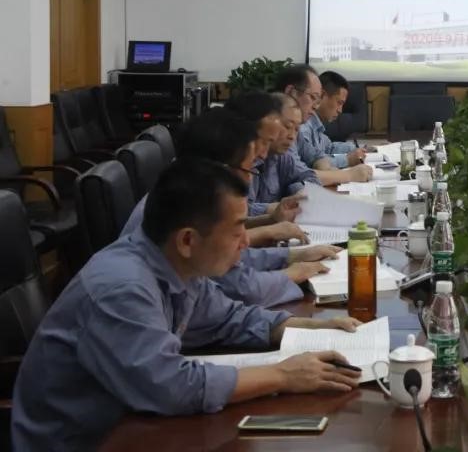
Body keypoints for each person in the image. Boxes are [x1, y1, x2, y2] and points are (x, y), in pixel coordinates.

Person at [12, 158, 362, 451]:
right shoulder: (122, 288)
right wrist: (283, 375)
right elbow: (171, 387)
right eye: (237, 230)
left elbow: (230, 319)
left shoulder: (179, 266)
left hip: (135, 425)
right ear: (188, 240)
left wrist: (318, 329)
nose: (246, 242)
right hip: (85, 441)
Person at [120, 107, 339, 306]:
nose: (251, 178)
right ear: (218, 169)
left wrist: (291, 255)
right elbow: (241, 288)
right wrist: (294, 271)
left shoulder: (189, 194)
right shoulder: (183, 209)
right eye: (249, 168)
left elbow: (234, 266)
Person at [247, 94, 321, 216]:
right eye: (287, 127)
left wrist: (297, 192)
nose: (292, 136)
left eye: (297, 129)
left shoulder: (281, 156)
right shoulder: (245, 156)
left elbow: (310, 177)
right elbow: (238, 212)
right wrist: (277, 208)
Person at [294, 71, 374, 183]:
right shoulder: (303, 127)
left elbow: (328, 149)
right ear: (322, 96)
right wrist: (347, 162)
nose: (340, 110)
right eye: (339, 103)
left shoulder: (315, 126)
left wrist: (362, 148)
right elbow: (310, 166)